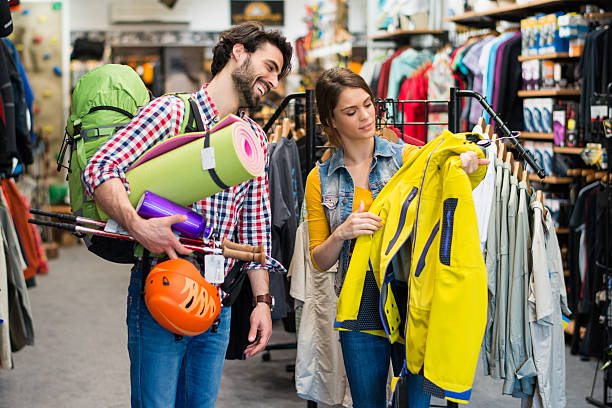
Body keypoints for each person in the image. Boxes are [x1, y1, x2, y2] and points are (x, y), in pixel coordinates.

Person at [83, 22, 292, 408]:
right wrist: (138, 226)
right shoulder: (171, 112)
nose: (274, 81)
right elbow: (100, 169)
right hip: (161, 287)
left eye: (279, 74)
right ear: (238, 53)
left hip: (217, 302)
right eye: (270, 66)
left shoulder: (254, 138)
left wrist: (263, 301)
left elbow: (255, 225)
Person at [305, 68, 487, 408]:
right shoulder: (320, 180)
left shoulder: (407, 159)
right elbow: (319, 259)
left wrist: (467, 164)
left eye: (368, 105)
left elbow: (450, 179)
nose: (365, 116)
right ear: (329, 119)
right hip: (359, 309)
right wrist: (344, 232)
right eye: (350, 111)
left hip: (411, 302)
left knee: (414, 405)